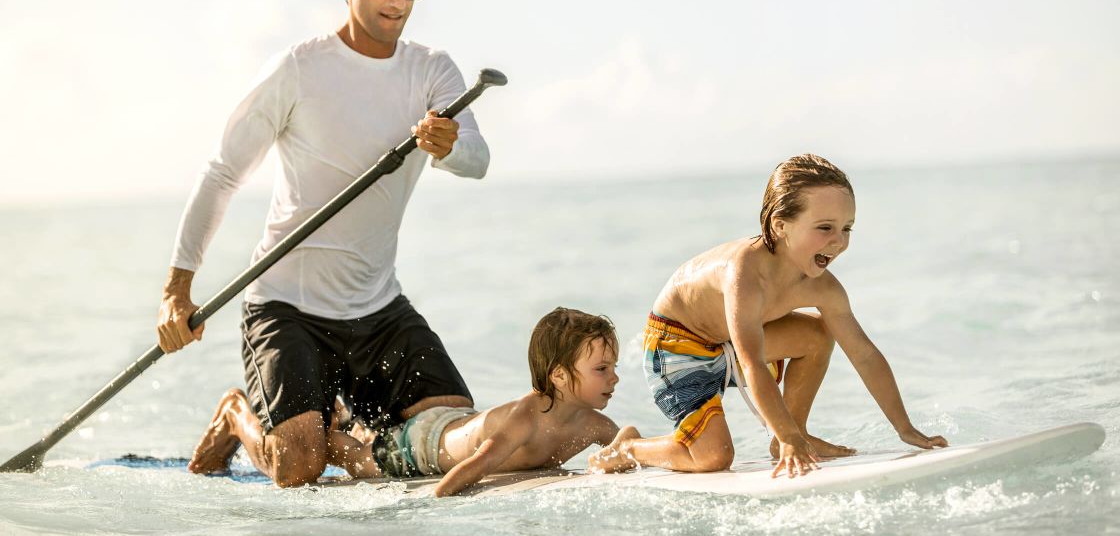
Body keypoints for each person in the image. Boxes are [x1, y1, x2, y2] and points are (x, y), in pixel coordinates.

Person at [159, 0, 491, 487]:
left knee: (454, 435)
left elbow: (477, 160)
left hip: (378, 308)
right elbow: (222, 172)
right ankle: (236, 414)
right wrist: (177, 290)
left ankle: (338, 422)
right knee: (300, 469)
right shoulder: (300, 68)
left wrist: (448, 146)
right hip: (285, 307)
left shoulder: (432, 71)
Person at [589, 154, 948, 478]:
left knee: (820, 334)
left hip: (728, 341)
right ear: (780, 225)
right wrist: (784, 433)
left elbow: (864, 354)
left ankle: (795, 432)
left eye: (847, 228)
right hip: (677, 345)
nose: (839, 242)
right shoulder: (744, 274)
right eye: (825, 228)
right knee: (714, 457)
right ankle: (630, 447)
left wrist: (905, 427)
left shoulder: (822, 287)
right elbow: (754, 363)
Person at [190, 307, 623, 497]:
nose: (614, 378)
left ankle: (344, 418)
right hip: (424, 444)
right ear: (560, 377)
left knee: (365, 443)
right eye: (602, 369)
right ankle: (247, 412)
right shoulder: (527, 417)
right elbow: (473, 467)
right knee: (352, 457)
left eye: (613, 367)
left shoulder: (590, 424)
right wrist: (437, 502)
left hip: (454, 420)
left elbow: (623, 442)